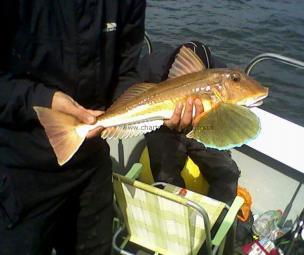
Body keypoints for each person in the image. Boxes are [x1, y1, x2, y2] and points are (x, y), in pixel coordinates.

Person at [0, 2, 202, 254]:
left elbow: (125, 72)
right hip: (22, 169)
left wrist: (161, 111)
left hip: (91, 161)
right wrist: (45, 100)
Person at [139, 41, 241, 205]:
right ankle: (176, 217)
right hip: (162, 126)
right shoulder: (152, 66)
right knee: (166, 176)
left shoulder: (222, 75)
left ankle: (215, 220)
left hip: (202, 125)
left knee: (228, 172)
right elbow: (130, 91)